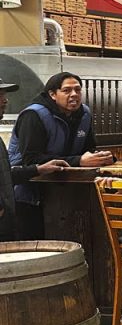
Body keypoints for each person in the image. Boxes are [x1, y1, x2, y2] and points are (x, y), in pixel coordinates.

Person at [8, 72, 114, 239]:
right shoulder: (34, 115)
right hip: (28, 193)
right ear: (52, 94)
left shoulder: (84, 114)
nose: (74, 95)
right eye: (67, 91)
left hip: (65, 190)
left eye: (78, 90)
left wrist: (99, 157)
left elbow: (88, 149)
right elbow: (31, 159)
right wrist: (79, 161)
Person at [0, 78, 68, 241]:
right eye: (0, 95)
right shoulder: (34, 115)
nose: (5, 100)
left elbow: (6, 175)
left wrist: (39, 169)